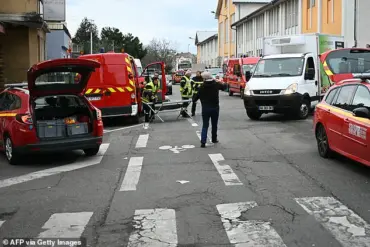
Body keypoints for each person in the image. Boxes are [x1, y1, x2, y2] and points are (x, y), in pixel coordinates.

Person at [194, 71, 227, 148]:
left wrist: (196, 99)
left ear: (204, 79)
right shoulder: (216, 84)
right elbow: (225, 87)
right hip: (215, 107)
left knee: (205, 125)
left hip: (205, 108)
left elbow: (194, 98)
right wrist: (219, 81)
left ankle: (203, 142)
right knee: (214, 124)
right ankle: (214, 138)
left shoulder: (201, 87)